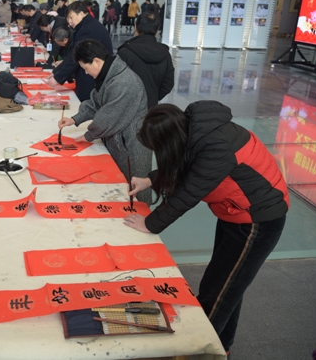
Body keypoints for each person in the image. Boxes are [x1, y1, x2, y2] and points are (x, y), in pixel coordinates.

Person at [122, 102, 289, 355]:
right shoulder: (197, 130)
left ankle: (197, 352)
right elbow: (189, 164)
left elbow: (188, 192)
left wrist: (150, 223)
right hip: (236, 213)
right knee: (227, 286)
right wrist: (151, 179)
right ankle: (222, 347)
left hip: (257, 221)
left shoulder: (215, 145)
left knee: (218, 293)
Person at [58, 39, 150, 201]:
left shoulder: (123, 82)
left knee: (134, 192)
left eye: (85, 68)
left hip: (131, 146)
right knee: (119, 189)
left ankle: (142, 212)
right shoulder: (108, 74)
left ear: (97, 61)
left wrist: (89, 135)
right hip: (118, 140)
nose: (86, 73)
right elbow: (95, 102)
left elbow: (108, 117)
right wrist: (74, 119)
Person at [44, 1, 112, 102]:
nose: (69, 22)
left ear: (81, 13)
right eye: (68, 19)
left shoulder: (87, 29)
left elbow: (76, 56)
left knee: (86, 103)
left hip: (93, 74)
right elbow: (73, 53)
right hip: (92, 72)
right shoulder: (85, 26)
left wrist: (57, 78)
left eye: (71, 17)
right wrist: (56, 71)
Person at [117, 12, 174, 108]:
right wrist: (153, 96)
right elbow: (168, 83)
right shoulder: (165, 54)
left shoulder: (125, 52)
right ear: (157, 30)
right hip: (151, 106)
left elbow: (115, 82)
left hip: (127, 107)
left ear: (136, 27)